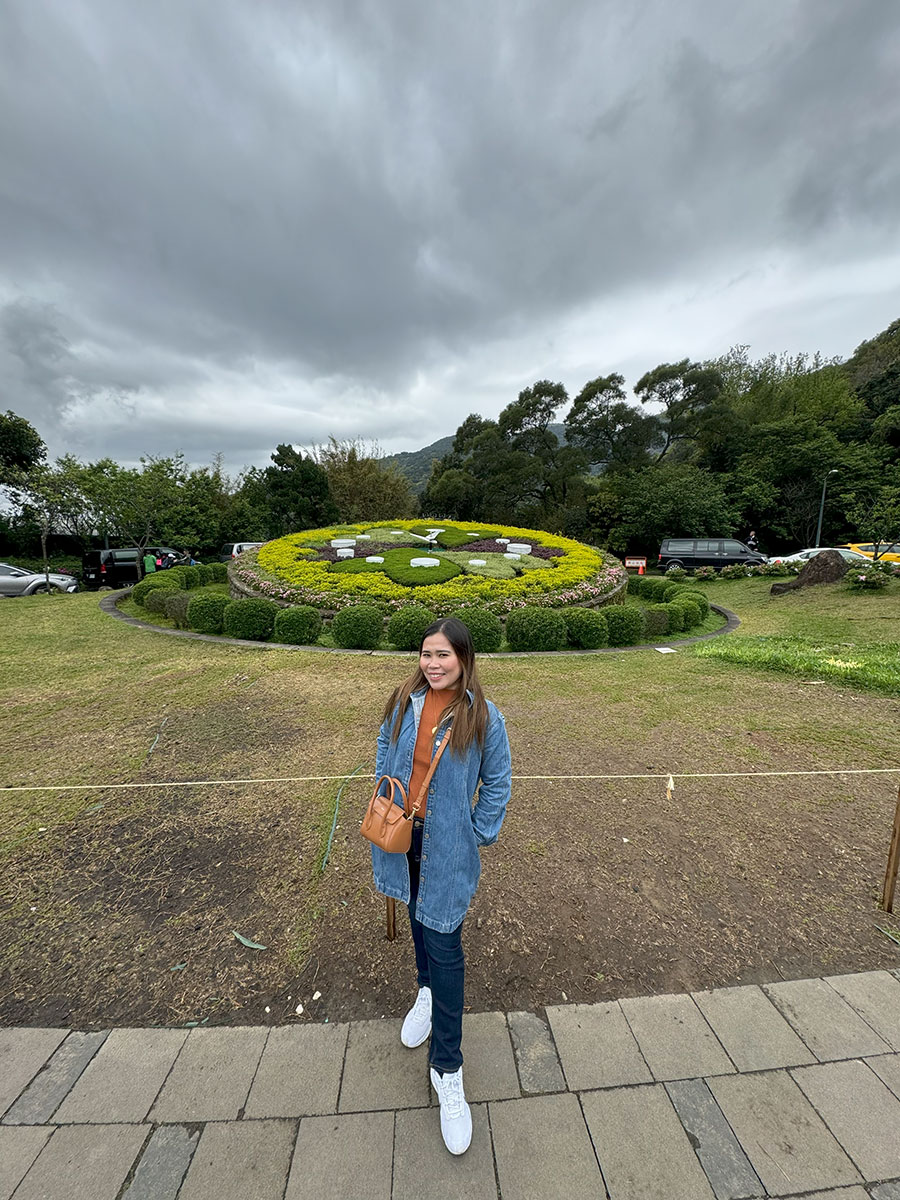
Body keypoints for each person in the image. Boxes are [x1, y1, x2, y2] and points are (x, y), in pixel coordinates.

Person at [371, 617, 511, 1155]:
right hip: (401, 833)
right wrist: (385, 797)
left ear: (464, 659)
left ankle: (447, 1069)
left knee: (445, 940)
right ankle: (424, 992)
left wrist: (477, 831)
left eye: (443, 656)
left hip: (448, 842)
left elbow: (498, 778)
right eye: (426, 653)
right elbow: (385, 746)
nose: (432, 664)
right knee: (412, 913)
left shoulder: (483, 717)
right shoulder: (404, 700)